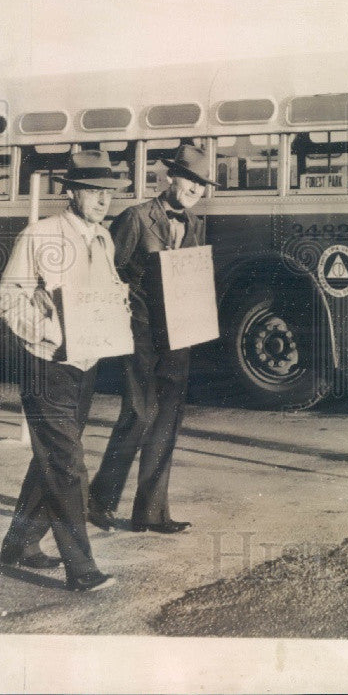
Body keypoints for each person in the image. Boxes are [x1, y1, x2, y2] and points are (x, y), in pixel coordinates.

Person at [0, 150, 130, 592]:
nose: (101, 200)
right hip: (47, 366)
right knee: (68, 464)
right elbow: (8, 300)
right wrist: (52, 333)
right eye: (92, 191)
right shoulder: (40, 235)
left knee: (52, 457)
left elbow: (101, 292)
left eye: (107, 192)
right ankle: (82, 569)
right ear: (71, 192)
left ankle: (20, 543)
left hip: (85, 364)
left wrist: (118, 304)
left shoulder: (104, 239)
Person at [88, 144, 216, 534]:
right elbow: (108, 273)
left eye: (201, 183)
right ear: (170, 177)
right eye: (190, 179)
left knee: (167, 418)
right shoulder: (135, 218)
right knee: (140, 414)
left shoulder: (194, 224)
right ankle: (98, 500)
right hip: (140, 331)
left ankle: (152, 512)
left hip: (179, 332)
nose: (195, 189)